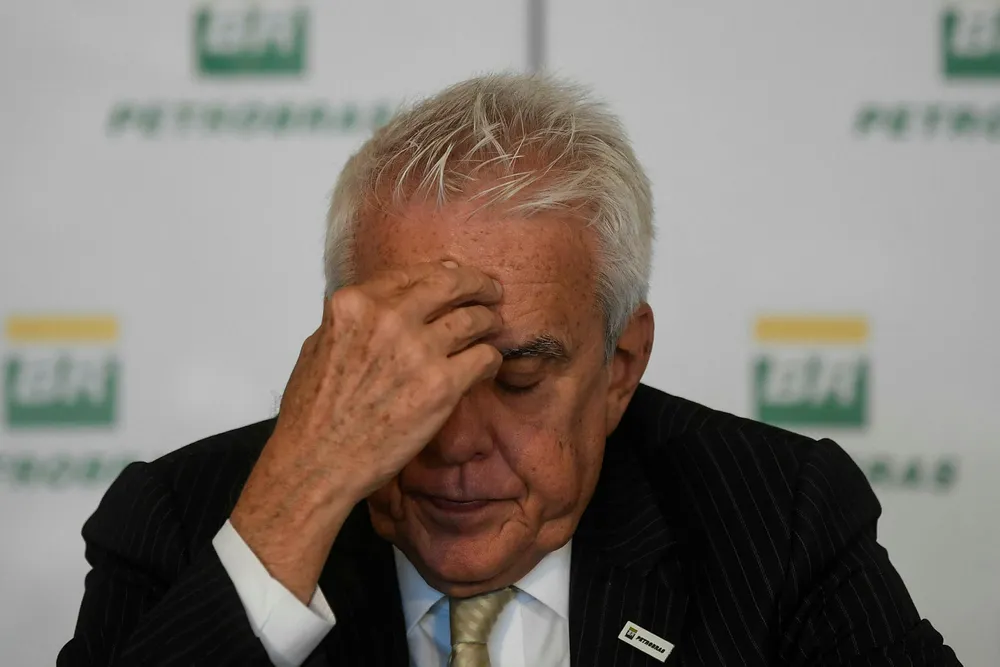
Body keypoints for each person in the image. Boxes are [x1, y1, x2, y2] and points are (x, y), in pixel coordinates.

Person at [57, 73, 961, 667]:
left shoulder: (777, 517)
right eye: (408, 370)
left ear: (620, 366)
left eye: (518, 377)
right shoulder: (182, 521)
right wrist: (291, 513)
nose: (455, 439)